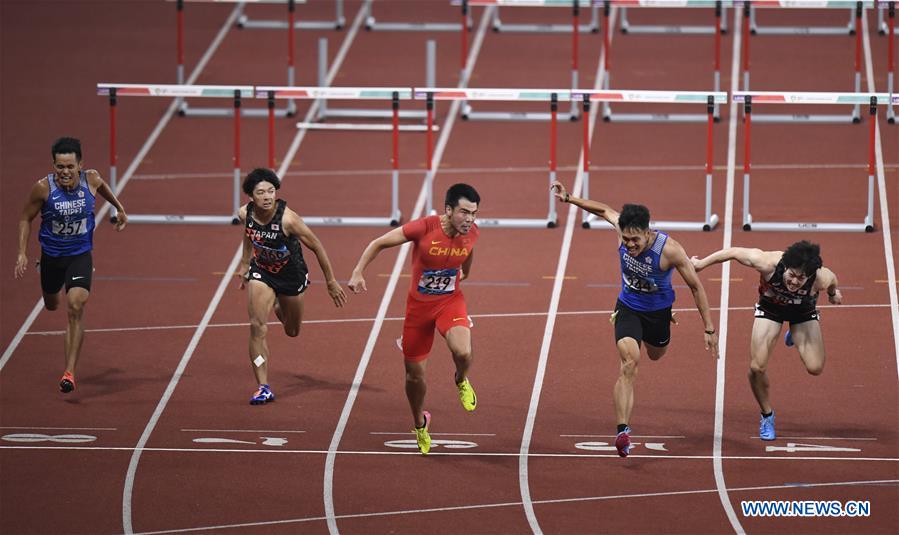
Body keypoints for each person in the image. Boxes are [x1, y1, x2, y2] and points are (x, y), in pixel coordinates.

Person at [550, 181, 719, 458]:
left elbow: (696, 287)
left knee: (656, 354)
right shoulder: (623, 229)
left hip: (658, 313)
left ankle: (666, 319)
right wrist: (569, 198)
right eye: (625, 239)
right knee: (629, 363)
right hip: (628, 307)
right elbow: (603, 210)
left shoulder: (670, 250)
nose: (629, 245)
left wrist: (709, 329)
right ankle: (622, 431)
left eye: (635, 240)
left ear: (647, 232)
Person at [348, 183, 481, 455]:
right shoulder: (424, 228)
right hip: (419, 310)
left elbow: (468, 254)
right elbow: (379, 243)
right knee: (414, 377)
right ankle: (420, 423)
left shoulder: (472, 232)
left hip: (450, 302)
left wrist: (464, 273)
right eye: (464, 212)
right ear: (448, 210)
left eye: (474, 213)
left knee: (463, 352)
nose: (470, 219)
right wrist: (358, 271)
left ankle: (461, 380)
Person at [691, 241, 841, 441]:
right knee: (757, 368)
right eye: (792, 275)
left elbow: (833, 281)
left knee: (815, 367)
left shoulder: (820, 278)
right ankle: (767, 415)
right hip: (771, 309)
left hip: (802, 313)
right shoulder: (767, 262)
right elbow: (733, 252)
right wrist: (701, 264)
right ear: (785, 266)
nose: (794, 282)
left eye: (801, 278)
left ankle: (795, 333)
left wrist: (832, 294)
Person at [14, 137, 128, 393]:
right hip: (52, 258)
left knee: (75, 305)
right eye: (60, 166)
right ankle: (42, 269)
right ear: (54, 165)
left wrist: (119, 208)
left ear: (80, 165)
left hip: (80, 255)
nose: (65, 172)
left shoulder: (91, 179)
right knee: (51, 305)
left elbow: (103, 187)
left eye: (69, 166)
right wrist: (21, 252)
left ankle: (69, 373)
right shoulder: (42, 189)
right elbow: (24, 218)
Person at [237, 168, 347, 405]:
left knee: (292, 330)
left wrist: (331, 282)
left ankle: (278, 304)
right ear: (251, 196)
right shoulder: (245, 213)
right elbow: (248, 234)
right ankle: (263, 386)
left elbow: (317, 246)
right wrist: (245, 263)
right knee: (257, 327)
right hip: (262, 272)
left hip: (291, 278)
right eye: (261, 193)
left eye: (271, 191)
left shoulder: (289, 220)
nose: (267, 196)